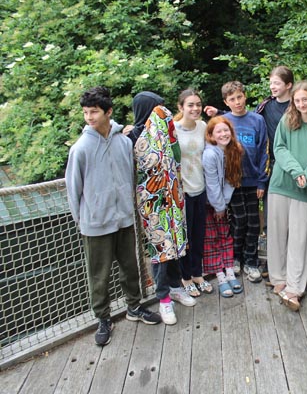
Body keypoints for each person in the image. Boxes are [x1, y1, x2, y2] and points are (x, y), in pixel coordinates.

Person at [66, 86, 161, 346]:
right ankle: (103, 318)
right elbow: (73, 190)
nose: (89, 117)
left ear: (108, 112)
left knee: (130, 268)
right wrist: (83, 220)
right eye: (85, 112)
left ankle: (134, 307)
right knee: (99, 274)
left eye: (94, 112)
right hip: (95, 224)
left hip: (124, 219)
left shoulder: (122, 141)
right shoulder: (80, 148)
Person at [267, 81, 307, 312]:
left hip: (304, 188)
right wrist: (296, 171)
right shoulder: (287, 121)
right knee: (277, 234)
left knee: (299, 239)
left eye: (305, 99)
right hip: (280, 184)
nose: (301, 103)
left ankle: (295, 287)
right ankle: (278, 278)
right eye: (297, 100)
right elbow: (280, 149)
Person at [133, 93, 196, 325]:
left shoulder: (167, 131)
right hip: (152, 205)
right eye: (156, 108)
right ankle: (163, 299)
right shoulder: (134, 135)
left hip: (173, 198)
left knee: (176, 245)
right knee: (161, 249)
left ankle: (175, 286)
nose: (162, 111)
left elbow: (176, 157)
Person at [218, 81, 268, 285]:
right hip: (233, 182)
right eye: (232, 99)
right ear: (226, 102)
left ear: (245, 96)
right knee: (238, 221)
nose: (237, 102)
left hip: (253, 181)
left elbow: (264, 150)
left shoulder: (257, 120)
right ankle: (235, 258)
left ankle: (252, 261)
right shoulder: (223, 121)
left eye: (239, 97)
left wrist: (261, 182)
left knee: (254, 223)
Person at [255, 66, 294, 280]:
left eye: (277, 83)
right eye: (271, 83)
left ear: (288, 85)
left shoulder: (298, 106)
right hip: (272, 171)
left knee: (292, 220)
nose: (272, 86)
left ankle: (291, 263)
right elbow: (247, 121)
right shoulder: (265, 107)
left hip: (295, 169)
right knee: (271, 218)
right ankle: (272, 263)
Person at [173, 88, 213, 297]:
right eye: (190, 105)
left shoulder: (203, 126)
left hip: (201, 188)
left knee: (199, 235)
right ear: (181, 107)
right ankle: (185, 277)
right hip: (183, 193)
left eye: (198, 104)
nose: (195, 108)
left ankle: (198, 273)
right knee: (185, 238)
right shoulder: (173, 130)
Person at [202, 116, 245, 297]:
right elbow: (212, 184)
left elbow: (231, 181)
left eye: (226, 130)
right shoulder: (210, 154)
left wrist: (224, 204)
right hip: (209, 203)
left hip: (222, 202)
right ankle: (219, 275)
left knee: (226, 236)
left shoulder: (233, 150)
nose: (223, 134)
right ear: (211, 135)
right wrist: (218, 206)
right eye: (218, 131)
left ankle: (229, 270)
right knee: (211, 238)